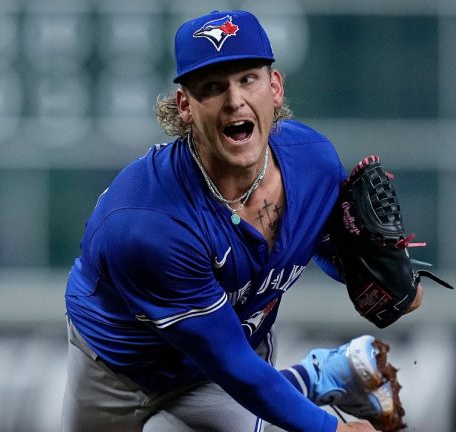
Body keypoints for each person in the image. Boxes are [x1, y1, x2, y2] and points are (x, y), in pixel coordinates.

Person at [62, 10, 422, 432]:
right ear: (186, 108)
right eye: (213, 87)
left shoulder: (313, 164)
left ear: (275, 87)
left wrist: (379, 275)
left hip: (224, 364)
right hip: (117, 366)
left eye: (248, 79)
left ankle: (321, 375)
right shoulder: (149, 225)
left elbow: (317, 246)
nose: (235, 100)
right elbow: (231, 364)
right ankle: (318, 375)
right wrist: (332, 430)